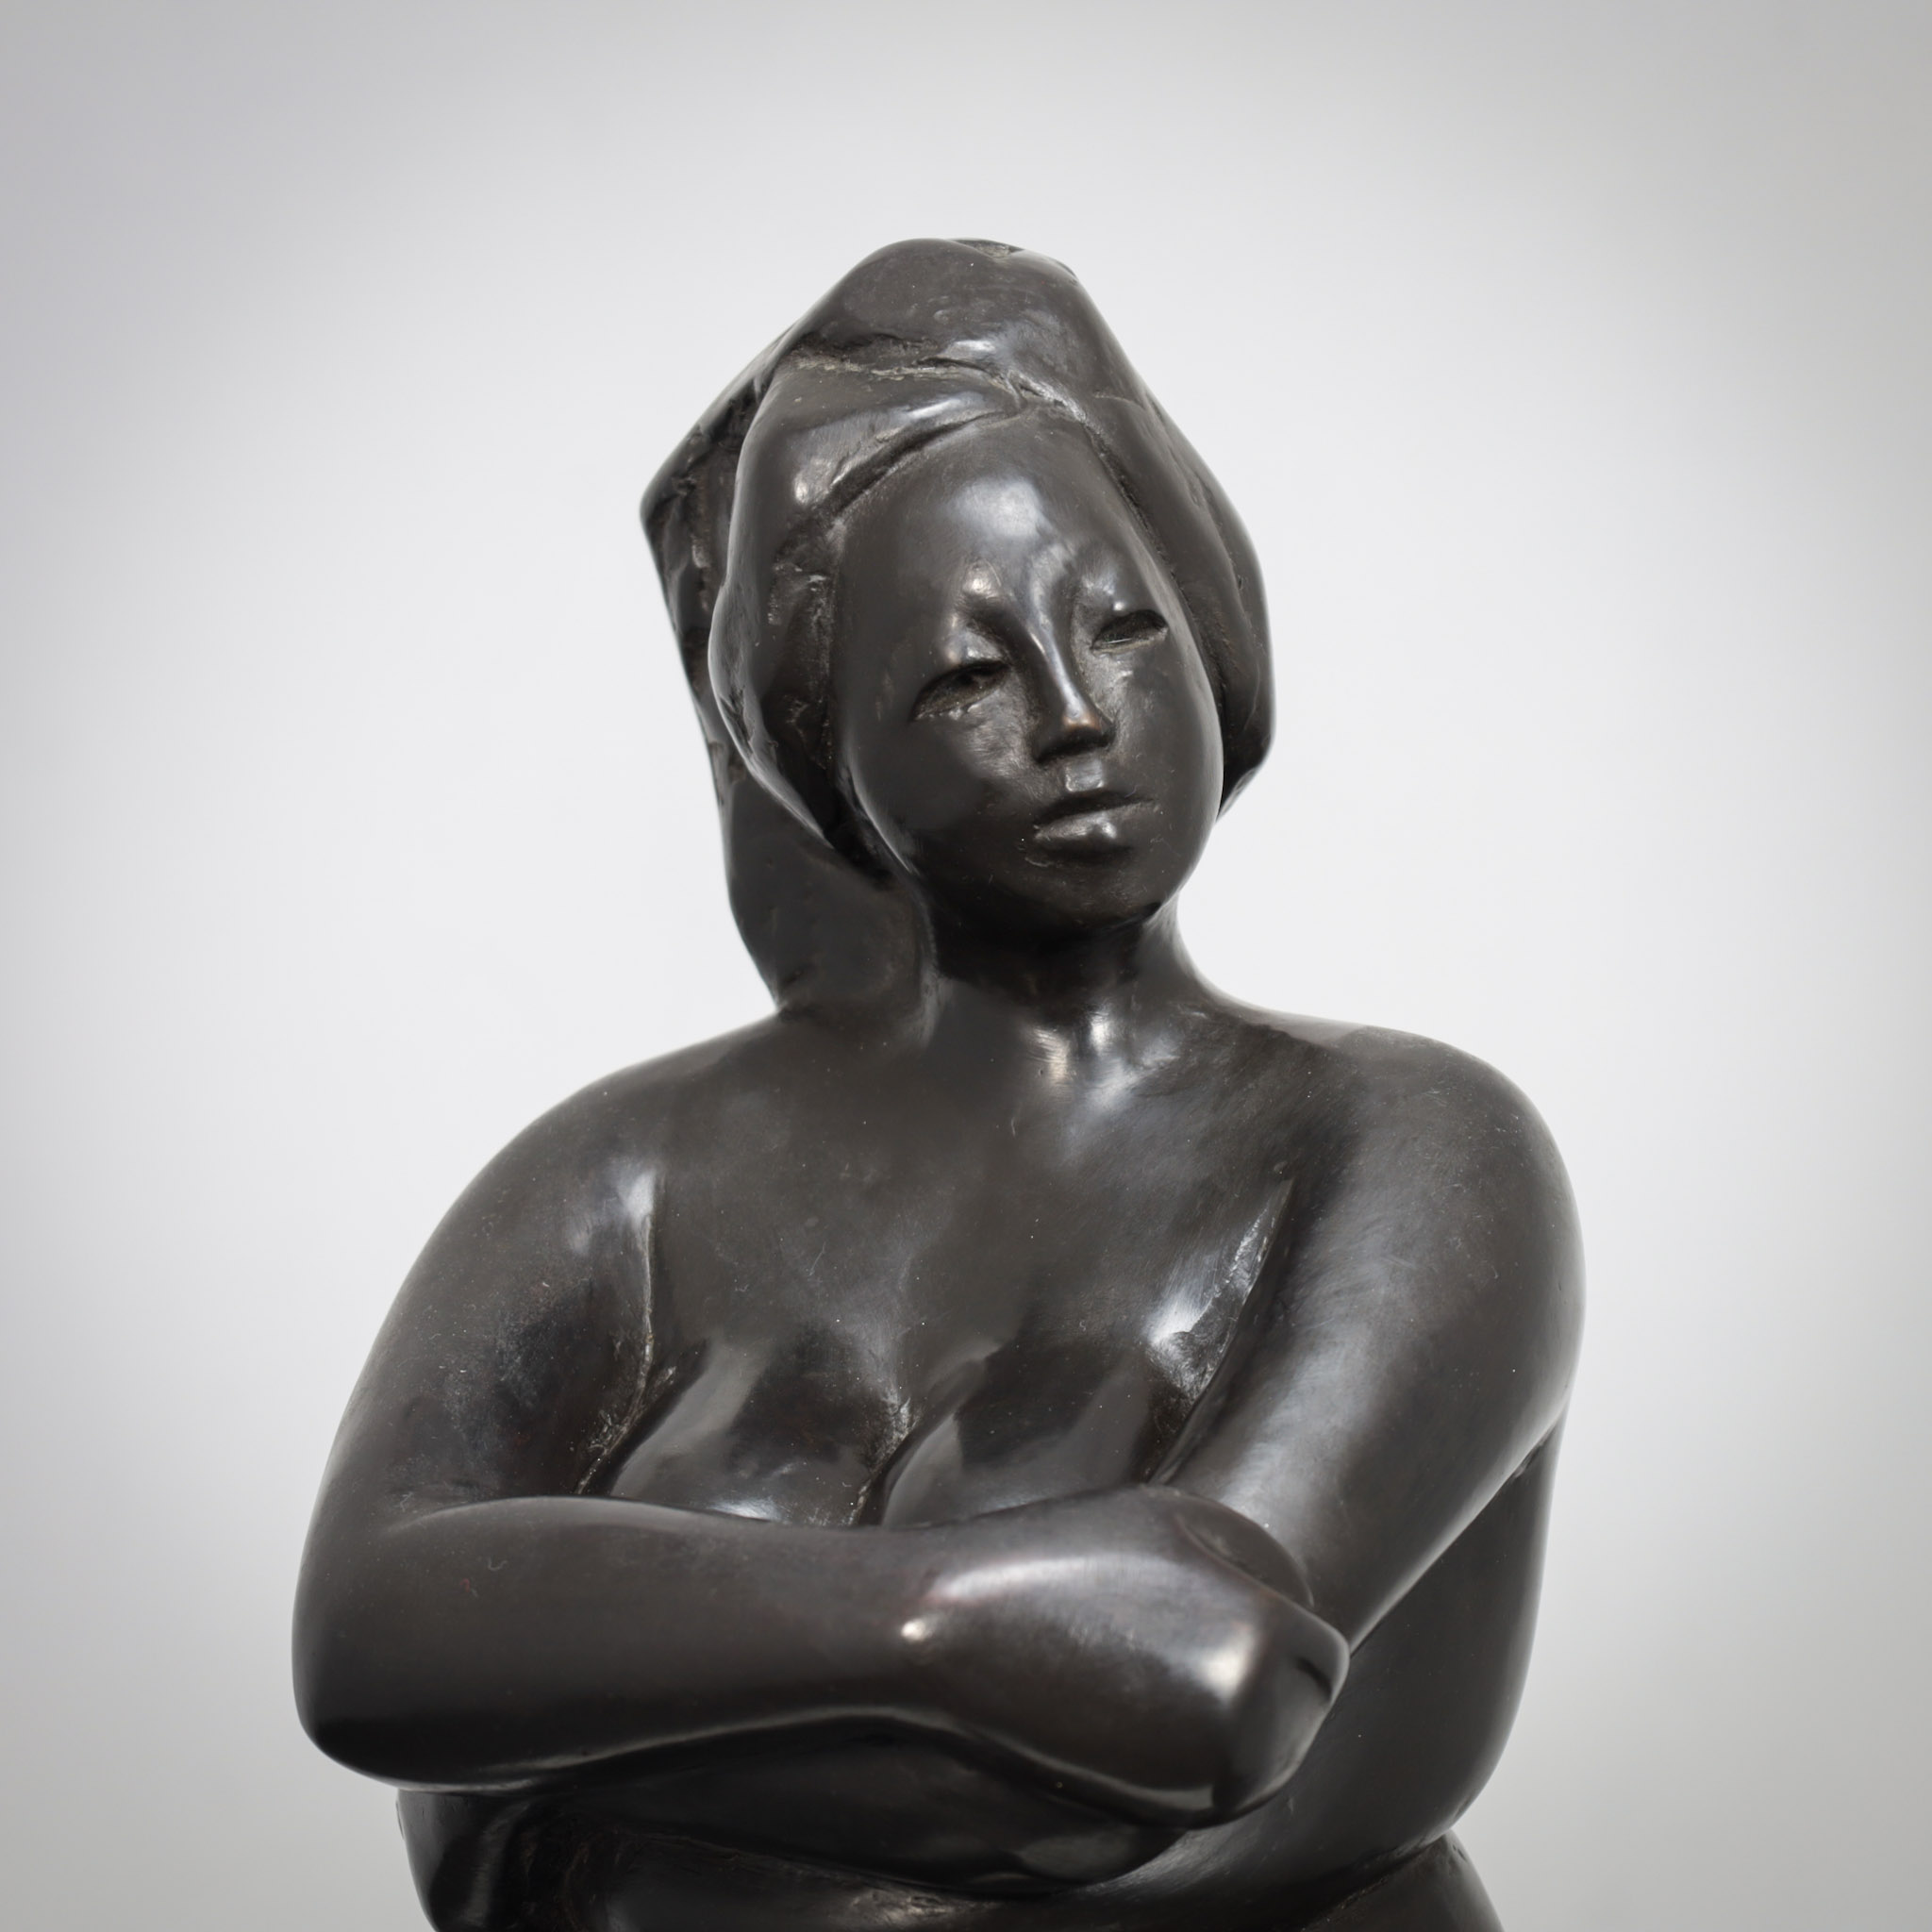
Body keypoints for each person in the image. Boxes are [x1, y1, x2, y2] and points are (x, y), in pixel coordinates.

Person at [294, 240, 1582, 1932]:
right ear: (828, 757)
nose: (1074, 715)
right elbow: (368, 1643)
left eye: (1123, 627)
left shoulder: (1407, 1149)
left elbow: (1196, 1691)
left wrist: (548, 1752)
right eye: (968, 676)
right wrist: (952, 1633)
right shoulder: (629, 1177)